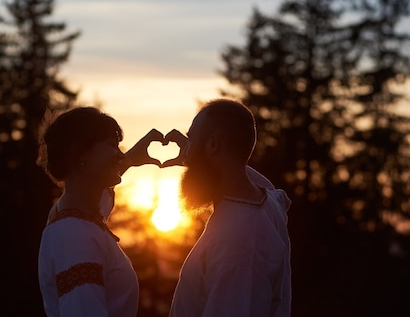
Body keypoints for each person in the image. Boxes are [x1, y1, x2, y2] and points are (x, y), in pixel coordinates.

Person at [165, 98, 292, 317]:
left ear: (213, 144)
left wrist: (200, 156)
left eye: (191, 140)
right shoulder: (268, 203)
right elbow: (257, 181)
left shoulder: (239, 244)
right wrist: (197, 154)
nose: (187, 150)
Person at [37, 106, 163, 317]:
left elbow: (98, 194)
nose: (119, 154)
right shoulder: (74, 235)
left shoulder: (76, 215)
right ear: (80, 154)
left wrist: (129, 160)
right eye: (112, 146)